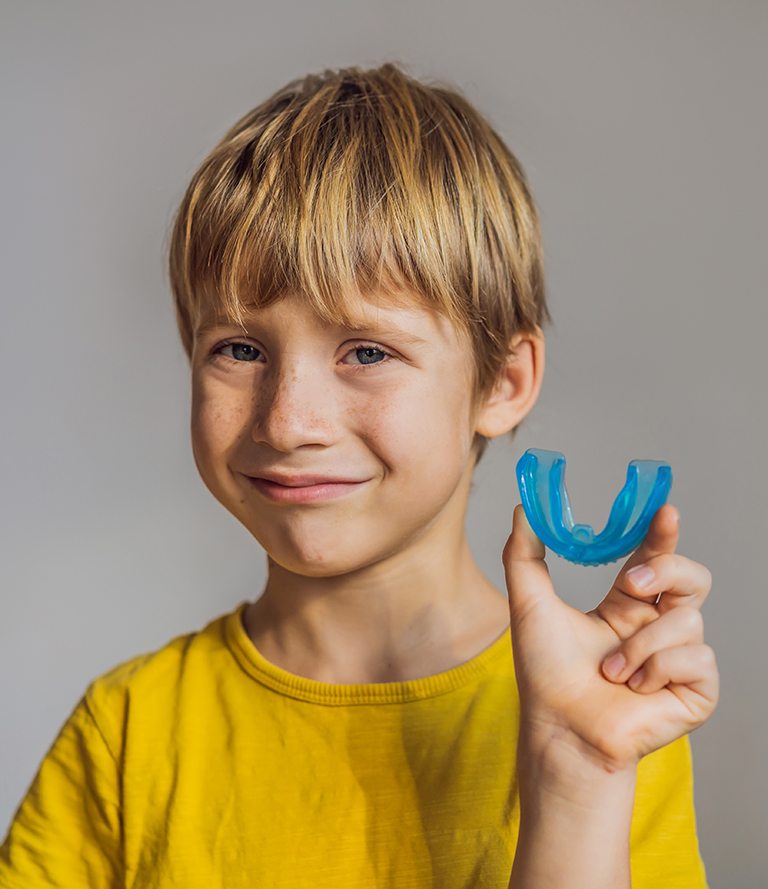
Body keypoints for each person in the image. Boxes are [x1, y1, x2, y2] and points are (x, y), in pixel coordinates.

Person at [0, 62, 719, 889]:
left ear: (502, 382)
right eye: (240, 349)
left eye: (368, 352)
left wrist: (576, 777)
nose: (288, 420)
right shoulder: (123, 733)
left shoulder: (615, 718)